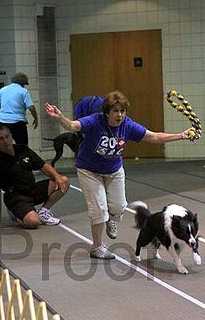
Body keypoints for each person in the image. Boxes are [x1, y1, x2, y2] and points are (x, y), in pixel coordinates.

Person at [45, 90, 194, 260]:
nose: (119, 115)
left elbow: (154, 137)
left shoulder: (127, 125)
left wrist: (181, 136)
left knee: (118, 207)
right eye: (115, 111)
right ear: (107, 112)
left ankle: (111, 219)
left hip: (114, 170)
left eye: (122, 111)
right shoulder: (95, 121)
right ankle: (97, 247)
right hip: (89, 170)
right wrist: (60, 117)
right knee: (99, 210)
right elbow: (72, 126)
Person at [0, 124, 69, 230]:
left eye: (7, 136)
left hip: (33, 190)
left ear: (11, 136)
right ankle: (17, 216)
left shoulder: (23, 150)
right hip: (16, 197)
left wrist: (57, 177)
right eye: (1, 139)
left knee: (64, 181)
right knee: (34, 223)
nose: (5, 141)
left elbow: (44, 166)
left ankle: (43, 212)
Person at [0, 72, 38, 145]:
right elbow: (31, 107)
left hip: (2, 121)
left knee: (4, 145)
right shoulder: (23, 91)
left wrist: (0, 114)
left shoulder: (3, 89)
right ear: (23, 84)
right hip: (18, 122)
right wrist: (36, 118)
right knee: (22, 146)